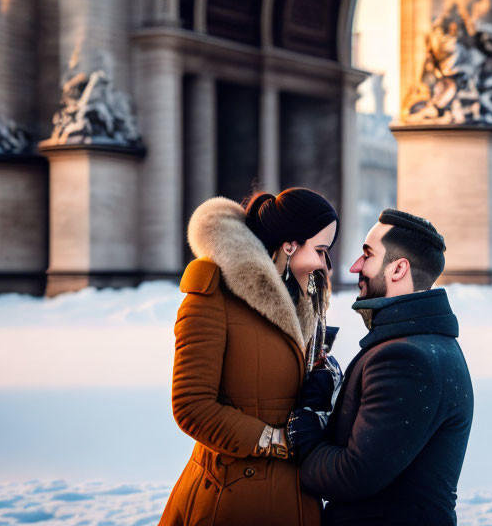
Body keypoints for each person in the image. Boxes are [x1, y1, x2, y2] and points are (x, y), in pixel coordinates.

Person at [159, 188, 338, 526]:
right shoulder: (211, 297)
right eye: (320, 250)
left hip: (296, 496)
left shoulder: (305, 303)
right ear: (289, 245)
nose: (324, 264)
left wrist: (326, 387)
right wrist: (275, 440)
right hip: (232, 497)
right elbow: (191, 405)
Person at [289, 208, 473, 526]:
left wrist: (303, 427)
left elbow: (353, 475)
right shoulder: (422, 343)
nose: (355, 267)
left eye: (368, 255)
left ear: (398, 268)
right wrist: (328, 400)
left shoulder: (406, 359)